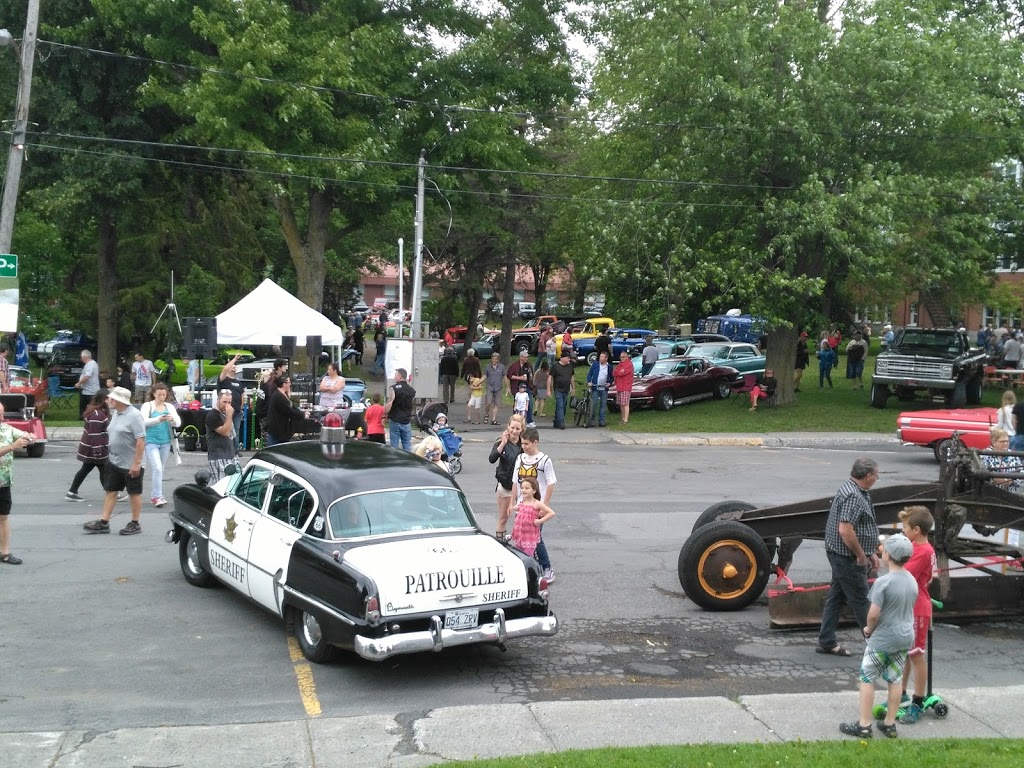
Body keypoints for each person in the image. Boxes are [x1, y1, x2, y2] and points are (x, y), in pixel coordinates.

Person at [838, 533, 917, 740]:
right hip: (904, 638)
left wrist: (868, 629)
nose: (881, 551)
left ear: (888, 556)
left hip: (882, 639)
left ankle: (864, 725)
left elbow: (873, 614)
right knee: (895, 680)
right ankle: (890, 723)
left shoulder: (883, 583)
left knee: (867, 678)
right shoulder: (911, 580)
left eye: (884, 550)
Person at [817, 457, 881, 657]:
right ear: (868, 476)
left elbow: (860, 528)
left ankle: (827, 641)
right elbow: (845, 530)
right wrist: (861, 555)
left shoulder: (851, 488)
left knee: (836, 597)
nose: (877, 478)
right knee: (863, 601)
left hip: (840, 553)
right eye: (876, 475)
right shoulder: (854, 496)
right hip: (847, 557)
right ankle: (878, 648)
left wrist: (870, 551)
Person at [83, 387, 147, 536]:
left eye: (111, 398)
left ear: (119, 400)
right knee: (111, 490)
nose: (108, 400)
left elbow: (140, 441)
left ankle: (135, 523)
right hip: (114, 460)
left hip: (131, 463)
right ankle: (104, 522)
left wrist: (137, 463)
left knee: (134, 492)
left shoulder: (135, 416)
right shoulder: (116, 413)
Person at [896, 506, 937, 724]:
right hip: (910, 604)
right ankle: (901, 692)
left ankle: (917, 702)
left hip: (917, 608)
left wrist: (889, 558)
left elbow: (901, 572)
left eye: (905, 527)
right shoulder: (917, 546)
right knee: (907, 652)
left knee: (916, 655)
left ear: (917, 530)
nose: (903, 531)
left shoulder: (923, 551)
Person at [512, 427, 557, 582]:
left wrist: (544, 505)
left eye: (526, 443)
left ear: (535, 442)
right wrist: (512, 503)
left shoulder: (544, 460)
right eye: (522, 443)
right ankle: (528, 566)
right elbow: (515, 482)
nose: (523, 446)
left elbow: (551, 483)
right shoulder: (520, 458)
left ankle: (547, 568)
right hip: (521, 505)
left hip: (536, 506)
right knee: (521, 537)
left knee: (536, 539)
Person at [0, 402, 33, 563]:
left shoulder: (6, 428)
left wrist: (28, 437)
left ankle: (4, 553)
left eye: (2, 413)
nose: (1, 417)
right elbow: (11, 447)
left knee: (3, 517)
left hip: (3, 482)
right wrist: (13, 446)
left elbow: (23, 434)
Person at [140, 382, 181, 508]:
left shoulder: (169, 407)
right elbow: (143, 421)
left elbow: (178, 423)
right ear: (154, 394)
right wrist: (159, 419)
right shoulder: (148, 406)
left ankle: (155, 495)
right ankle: (158, 496)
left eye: (164, 395)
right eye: (159, 395)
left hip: (166, 441)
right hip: (151, 441)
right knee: (157, 468)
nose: (162, 397)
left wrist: (172, 419)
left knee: (160, 469)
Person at [66, 389, 110, 502]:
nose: (111, 401)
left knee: (87, 469)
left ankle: (72, 492)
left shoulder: (98, 412)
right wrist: (97, 451)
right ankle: (111, 492)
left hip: (91, 449)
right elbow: (94, 434)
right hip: (94, 449)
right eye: (110, 398)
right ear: (104, 400)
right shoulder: (97, 415)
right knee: (103, 470)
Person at [490, 415, 525, 539]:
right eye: (512, 428)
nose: (514, 431)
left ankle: (522, 545)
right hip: (506, 486)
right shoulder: (501, 442)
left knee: (523, 519)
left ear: (522, 429)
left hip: (522, 487)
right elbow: (492, 459)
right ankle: (500, 542)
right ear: (508, 427)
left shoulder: (524, 444)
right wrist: (503, 444)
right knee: (503, 517)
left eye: (517, 429)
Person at [510, 476, 556, 558]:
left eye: (527, 488)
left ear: (534, 490)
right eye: (522, 488)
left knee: (528, 557)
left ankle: (531, 569)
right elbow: (518, 507)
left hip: (529, 537)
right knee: (519, 556)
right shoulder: (523, 501)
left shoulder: (536, 503)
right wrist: (511, 507)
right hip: (520, 534)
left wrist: (540, 521)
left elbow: (551, 513)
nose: (523, 490)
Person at [265, 375, 316, 447]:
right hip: (276, 429)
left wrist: (303, 412)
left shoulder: (283, 394)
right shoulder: (278, 396)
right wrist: (302, 415)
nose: (290, 384)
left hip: (282, 429)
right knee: (274, 450)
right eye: (289, 382)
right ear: (284, 384)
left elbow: (292, 406)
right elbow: (289, 411)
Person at [206, 389, 238, 482]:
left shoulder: (226, 414)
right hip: (218, 457)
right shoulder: (212, 415)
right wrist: (229, 416)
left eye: (229, 402)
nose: (227, 405)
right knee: (221, 486)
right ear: (218, 400)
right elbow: (225, 432)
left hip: (231, 455)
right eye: (224, 402)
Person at [218, 354, 245, 451]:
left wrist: (241, 407)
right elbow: (225, 370)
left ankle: (235, 450)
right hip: (225, 411)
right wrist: (235, 359)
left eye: (235, 367)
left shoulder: (239, 382)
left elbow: (242, 395)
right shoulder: (223, 380)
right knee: (226, 430)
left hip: (237, 411)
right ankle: (225, 449)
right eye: (232, 366)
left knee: (236, 432)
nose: (233, 368)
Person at [385, 367, 415, 450]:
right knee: (407, 443)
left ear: (399, 376)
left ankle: (394, 461)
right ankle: (408, 461)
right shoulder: (412, 390)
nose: (394, 377)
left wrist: (385, 412)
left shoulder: (394, 388)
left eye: (395, 375)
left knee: (394, 445)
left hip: (395, 419)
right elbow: (410, 404)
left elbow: (390, 402)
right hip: (406, 420)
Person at [506, 350, 535, 427]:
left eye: (527, 357)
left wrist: (531, 385)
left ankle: (529, 421)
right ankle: (515, 420)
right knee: (517, 404)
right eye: (525, 357)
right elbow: (509, 375)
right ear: (521, 357)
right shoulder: (514, 366)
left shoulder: (528, 365)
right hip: (517, 388)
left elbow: (531, 375)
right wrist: (520, 378)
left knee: (529, 404)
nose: (526, 359)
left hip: (527, 388)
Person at [550, 350, 576, 430]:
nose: (569, 360)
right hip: (558, 389)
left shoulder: (570, 366)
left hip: (566, 389)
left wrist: (573, 388)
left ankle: (557, 421)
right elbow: (550, 377)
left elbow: (571, 377)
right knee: (560, 405)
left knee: (563, 406)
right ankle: (561, 422)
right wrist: (549, 389)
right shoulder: (555, 366)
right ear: (562, 358)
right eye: (567, 358)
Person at [586, 350, 612, 427]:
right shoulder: (595, 364)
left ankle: (601, 420)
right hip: (595, 387)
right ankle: (592, 420)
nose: (600, 358)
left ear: (606, 358)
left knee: (603, 404)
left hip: (604, 387)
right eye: (600, 356)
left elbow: (611, 377)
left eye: (602, 357)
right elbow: (590, 374)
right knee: (594, 404)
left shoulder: (609, 367)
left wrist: (609, 383)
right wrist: (589, 381)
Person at [75, 349, 101, 418]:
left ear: (85, 357)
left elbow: (87, 377)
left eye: (82, 357)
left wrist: (79, 383)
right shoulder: (90, 364)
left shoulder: (91, 364)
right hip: (86, 390)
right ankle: (84, 416)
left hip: (91, 390)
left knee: (90, 405)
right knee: (83, 405)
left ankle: (87, 417)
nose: (81, 359)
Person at [612, 349, 634, 424]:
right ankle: (622, 418)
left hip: (626, 386)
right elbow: (614, 373)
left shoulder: (629, 364)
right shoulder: (620, 364)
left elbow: (621, 373)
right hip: (619, 386)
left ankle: (626, 419)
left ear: (627, 357)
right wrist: (618, 372)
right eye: (621, 357)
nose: (622, 358)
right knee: (621, 403)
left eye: (623, 357)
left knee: (625, 403)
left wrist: (618, 372)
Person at [483, 353, 506, 425]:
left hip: (498, 387)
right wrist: (478, 382)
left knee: (497, 404)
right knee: (488, 402)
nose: (494, 360)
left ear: (498, 360)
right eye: (493, 359)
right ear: (491, 359)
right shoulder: (488, 367)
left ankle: (494, 419)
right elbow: (484, 376)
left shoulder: (502, 367)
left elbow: (505, 376)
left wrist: (508, 386)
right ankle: (486, 414)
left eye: (496, 359)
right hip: (490, 387)